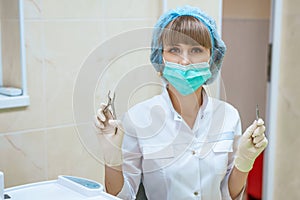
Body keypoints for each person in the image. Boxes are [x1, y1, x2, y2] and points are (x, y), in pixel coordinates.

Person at [94, 5, 268, 200]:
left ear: (212, 59)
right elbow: (122, 196)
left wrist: (244, 162)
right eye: (174, 50)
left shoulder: (229, 116)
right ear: (160, 57)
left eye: (196, 49)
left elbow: (229, 194)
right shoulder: (137, 119)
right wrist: (112, 158)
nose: (185, 61)